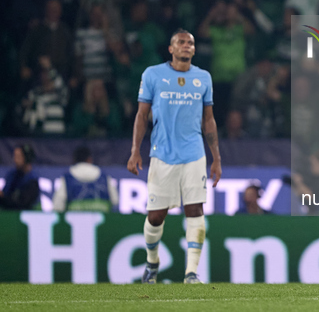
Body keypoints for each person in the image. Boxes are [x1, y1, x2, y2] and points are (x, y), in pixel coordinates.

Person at [127, 28, 221, 284]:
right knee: (156, 215)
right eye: (181, 42)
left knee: (195, 210)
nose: (186, 46)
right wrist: (136, 149)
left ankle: (191, 273)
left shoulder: (203, 78)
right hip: (162, 154)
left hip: (194, 154)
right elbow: (141, 115)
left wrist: (216, 157)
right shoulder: (153, 75)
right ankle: (152, 262)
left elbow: (209, 120)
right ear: (171, 48)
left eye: (190, 43)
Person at [53, 146, 118, 213]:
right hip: (102, 220)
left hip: (75, 221)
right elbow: (115, 200)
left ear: (74, 159)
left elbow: (58, 204)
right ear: (89, 159)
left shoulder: (67, 178)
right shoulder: (104, 176)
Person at [0, 144, 40, 210]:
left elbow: (23, 203)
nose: (15, 160)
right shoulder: (11, 176)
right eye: (15, 157)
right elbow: (5, 195)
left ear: (27, 158)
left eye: (18, 157)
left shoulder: (32, 180)